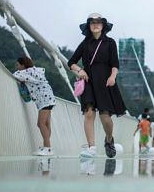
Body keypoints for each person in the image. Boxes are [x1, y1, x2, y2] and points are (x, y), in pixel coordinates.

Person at [68, 13, 126, 158]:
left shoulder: (110, 42)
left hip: (105, 81)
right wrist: (79, 70)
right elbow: (71, 62)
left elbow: (115, 64)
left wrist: (113, 77)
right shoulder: (85, 43)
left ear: (103, 25)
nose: (95, 24)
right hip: (88, 80)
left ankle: (108, 139)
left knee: (105, 116)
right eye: (92, 22)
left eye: (98, 22)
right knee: (89, 113)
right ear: (89, 25)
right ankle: (91, 147)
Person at [13, 57, 56, 156]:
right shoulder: (35, 70)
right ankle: (47, 146)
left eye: (18, 65)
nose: (17, 67)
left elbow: (15, 75)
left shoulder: (26, 72)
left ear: (23, 65)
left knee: (41, 124)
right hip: (49, 97)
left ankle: (48, 148)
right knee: (46, 123)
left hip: (44, 99)